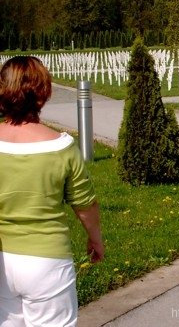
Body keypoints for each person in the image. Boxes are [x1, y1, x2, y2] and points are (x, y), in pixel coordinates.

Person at [0, 56, 104, 326]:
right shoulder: (61, 147)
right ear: (44, 92)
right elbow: (85, 205)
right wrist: (95, 239)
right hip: (46, 260)